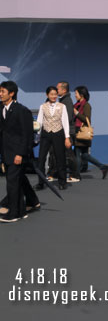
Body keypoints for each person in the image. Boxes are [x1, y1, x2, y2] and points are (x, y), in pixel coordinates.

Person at [0, 81, 40, 222]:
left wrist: (20, 154)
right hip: (6, 152)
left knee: (12, 183)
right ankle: (22, 211)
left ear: (11, 94)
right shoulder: (2, 109)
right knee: (15, 182)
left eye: (3, 91)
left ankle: (14, 213)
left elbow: (26, 134)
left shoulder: (21, 110)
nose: (0, 94)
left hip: (17, 153)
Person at [36, 86, 71, 191]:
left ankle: (62, 182)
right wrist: (37, 136)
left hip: (58, 133)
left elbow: (65, 122)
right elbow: (39, 122)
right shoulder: (42, 106)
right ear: (47, 95)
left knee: (60, 158)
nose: (54, 96)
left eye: (55, 94)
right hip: (46, 134)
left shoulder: (62, 106)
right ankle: (41, 182)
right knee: (41, 159)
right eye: (51, 94)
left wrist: (67, 137)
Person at [73, 86, 108, 179]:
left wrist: (77, 113)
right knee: (84, 155)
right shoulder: (77, 105)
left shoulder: (86, 105)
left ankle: (76, 175)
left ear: (81, 95)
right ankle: (103, 167)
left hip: (82, 132)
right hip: (77, 131)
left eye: (76, 93)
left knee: (77, 153)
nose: (75, 95)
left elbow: (87, 119)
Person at [56, 81, 79, 183]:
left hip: (68, 131)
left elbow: (68, 117)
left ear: (64, 90)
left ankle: (75, 175)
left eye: (58, 89)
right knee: (65, 154)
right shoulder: (63, 100)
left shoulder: (67, 101)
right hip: (64, 131)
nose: (56, 91)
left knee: (69, 154)